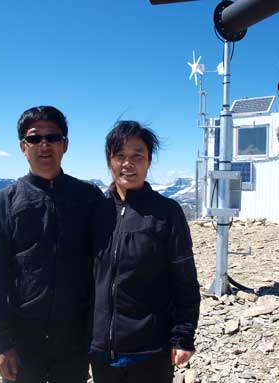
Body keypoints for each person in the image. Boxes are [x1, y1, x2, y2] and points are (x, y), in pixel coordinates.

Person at [0, 106, 103, 383]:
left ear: (65, 144)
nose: (44, 145)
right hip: (22, 341)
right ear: (23, 146)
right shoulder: (4, 202)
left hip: (75, 340)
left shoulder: (88, 197)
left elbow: (107, 261)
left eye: (53, 137)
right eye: (34, 138)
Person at [90, 121, 201, 383]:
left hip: (150, 349)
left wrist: (183, 336)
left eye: (137, 155)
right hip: (101, 350)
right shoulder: (96, 211)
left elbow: (184, 280)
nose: (128, 163)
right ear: (109, 161)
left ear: (149, 161)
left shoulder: (166, 213)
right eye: (119, 156)